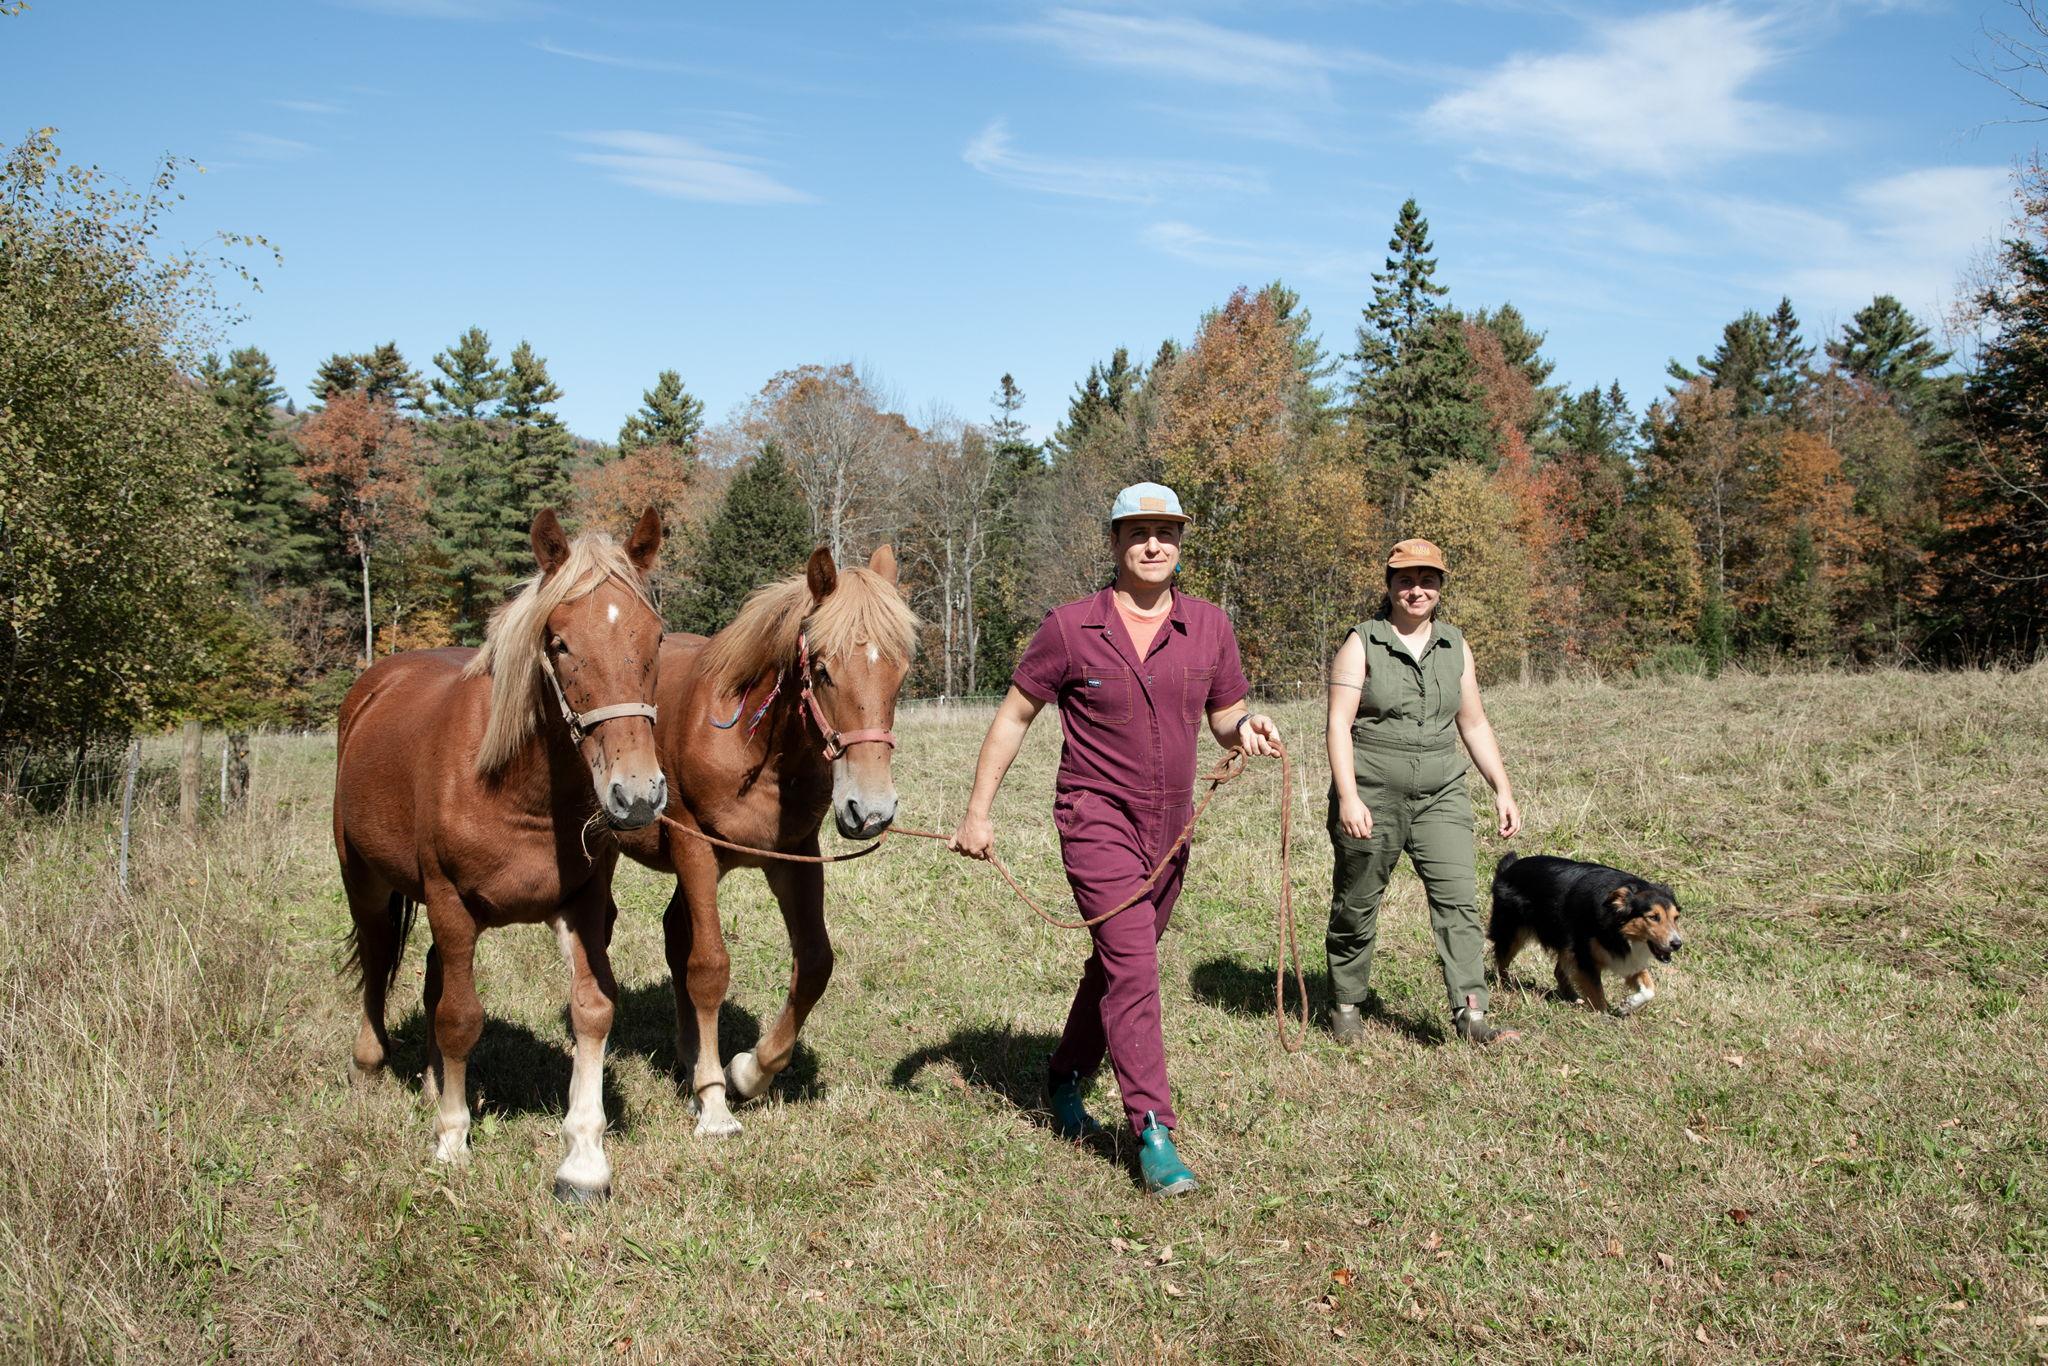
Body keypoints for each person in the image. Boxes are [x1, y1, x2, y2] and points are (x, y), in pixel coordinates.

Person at [950, 482, 1281, 1196]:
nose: (1153, 545)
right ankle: (1153, 1132)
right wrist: (978, 812)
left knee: (1117, 961)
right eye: (1138, 533)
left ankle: (1065, 1073)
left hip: (1172, 826)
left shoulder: (1210, 627)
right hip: (1095, 816)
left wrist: (1245, 730)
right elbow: (1014, 718)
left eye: (1165, 532)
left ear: (1181, 542)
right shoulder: (1070, 628)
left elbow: (1226, 716)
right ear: (1114, 543)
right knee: (1134, 966)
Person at [1324, 538, 1522, 1047]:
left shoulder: (1455, 645)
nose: (1417, 590)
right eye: (1406, 580)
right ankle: (1347, 1001)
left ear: (1440, 587)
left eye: (1427, 580)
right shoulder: (1362, 642)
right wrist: (1349, 797)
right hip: (1372, 793)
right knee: (1357, 902)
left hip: (1442, 794)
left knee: (1458, 901)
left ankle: (1471, 1014)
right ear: (1389, 586)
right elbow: (1338, 725)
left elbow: (1473, 722)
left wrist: (1501, 787)